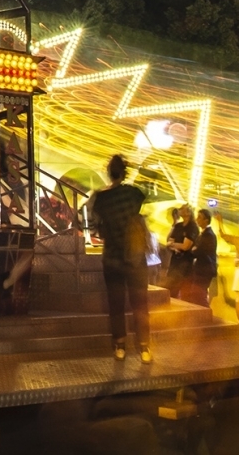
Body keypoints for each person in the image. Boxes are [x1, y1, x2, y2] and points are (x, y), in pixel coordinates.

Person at [88, 153, 152, 363]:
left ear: (108, 173)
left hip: (113, 259)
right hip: (135, 258)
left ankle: (120, 346)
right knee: (140, 305)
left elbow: (95, 227)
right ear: (124, 172)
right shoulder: (134, 194)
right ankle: (144, 348)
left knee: (116, 305)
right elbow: (142, 202)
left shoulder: (101, 199)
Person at [187, 209, 219, 307]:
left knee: (200, 295)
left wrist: (194, 250)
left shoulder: (208, 235)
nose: (197, 219)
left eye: (200, 217)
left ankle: (206, 316)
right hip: (202, 269)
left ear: (206, 220)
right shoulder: (204, 234)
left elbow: (199, 250)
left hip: (204, 269)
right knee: (197, 294)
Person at [165, 206, 196, 296]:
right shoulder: (178, 226)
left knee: (181, 288)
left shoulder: (192, 227)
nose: (180, 210)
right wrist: (176, 246)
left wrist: (173, 245)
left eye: (182, 209)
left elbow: (186, 246)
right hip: (175, 261)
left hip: (185, 263)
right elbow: (169, 241)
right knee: (170, 287)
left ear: (189, 213)